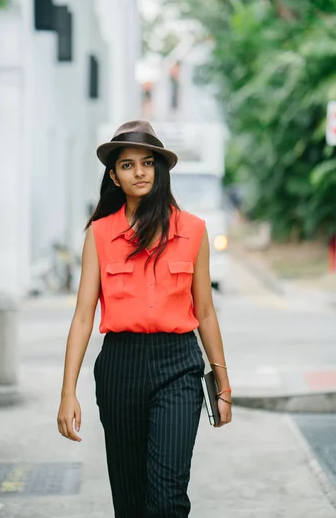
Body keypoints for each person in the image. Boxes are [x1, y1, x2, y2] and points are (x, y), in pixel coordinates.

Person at [57, 120, 232, 517]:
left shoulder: (193, 230)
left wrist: (222, 383)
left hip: (179, 367)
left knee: (168, 496)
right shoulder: (100, 235)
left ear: (160, 169)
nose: (139, 172)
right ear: (114, 177)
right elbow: (84, 316)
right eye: (127, 165)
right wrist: (68, 391)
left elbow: (204, 310)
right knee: (131, 498)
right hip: (120, 367)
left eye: (147, 162)